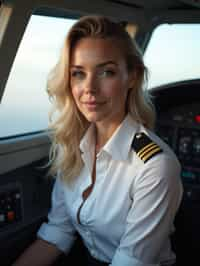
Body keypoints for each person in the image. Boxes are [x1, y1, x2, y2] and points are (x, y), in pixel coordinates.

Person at [13, 15, 183, 266]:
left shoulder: (155, 167)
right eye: (78, 73)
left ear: (132, 77)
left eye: (107, 72)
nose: (89, 88)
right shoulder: (72, 144)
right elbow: (57, 233)